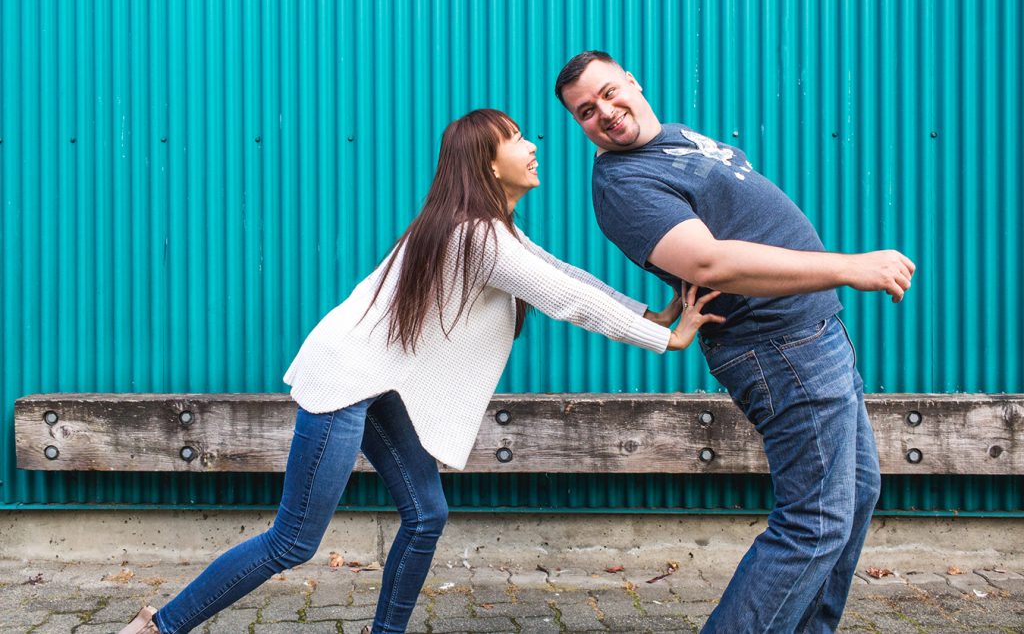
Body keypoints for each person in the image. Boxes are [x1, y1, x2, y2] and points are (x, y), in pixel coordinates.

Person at [119, 108, 723, 634]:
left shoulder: (488, 230)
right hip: (345, 381)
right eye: (515, 138)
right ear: (487, 164)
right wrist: (664, 339)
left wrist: (649, 311)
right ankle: (159, 626)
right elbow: (563, 299)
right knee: (293, 542)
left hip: (378, 384)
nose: (533, 145)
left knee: (426, 514)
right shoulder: (473, 236)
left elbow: (561, 274)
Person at [555, 52, 916, 633]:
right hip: (779, 348)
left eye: (608, 93)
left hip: (813, 332)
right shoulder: (623, 183)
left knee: (853, 497)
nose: (606, 113)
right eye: (586, 112)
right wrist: (848, 266)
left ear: (632, 82)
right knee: (815, 522)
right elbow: (708, 260)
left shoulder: (667, 141)